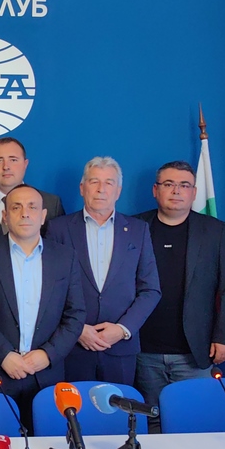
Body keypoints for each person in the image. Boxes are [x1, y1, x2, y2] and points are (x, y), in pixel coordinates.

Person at [134, 161, 225, 431]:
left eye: (184, 185)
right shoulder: (134, 227)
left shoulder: (215, 231)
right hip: (142, 350)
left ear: (194, 193)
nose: (176, 191)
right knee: (149, 420)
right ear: (155, 190)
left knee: (194, 422)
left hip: (195, 351)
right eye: (169, 184)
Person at [0, 184, 85, 432]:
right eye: (16, 207)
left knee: (48, 448)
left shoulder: (66, 257)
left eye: (32, 207)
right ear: (5, 215)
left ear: (43, 216)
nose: (25, 213)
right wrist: (4, 355)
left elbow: (75, 316)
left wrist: (47, 355)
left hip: (46, 377)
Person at [46, 157, 161, 385]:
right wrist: (77, 330)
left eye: (109, 183)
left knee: (118, 407)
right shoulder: (58, 229)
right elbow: (48, 290)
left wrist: (122, 329)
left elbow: (150, 290)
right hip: (71, 348)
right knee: (71, 408)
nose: (101, 189)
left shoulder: (138, 230)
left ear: (118, 191)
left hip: (120, 349)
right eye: (94, 181)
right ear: (82, 188)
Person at [0, 137, 65, 246]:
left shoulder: (51, 204)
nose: (6, 167)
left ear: (25, 164)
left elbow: (59, 250)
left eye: (13, 160)